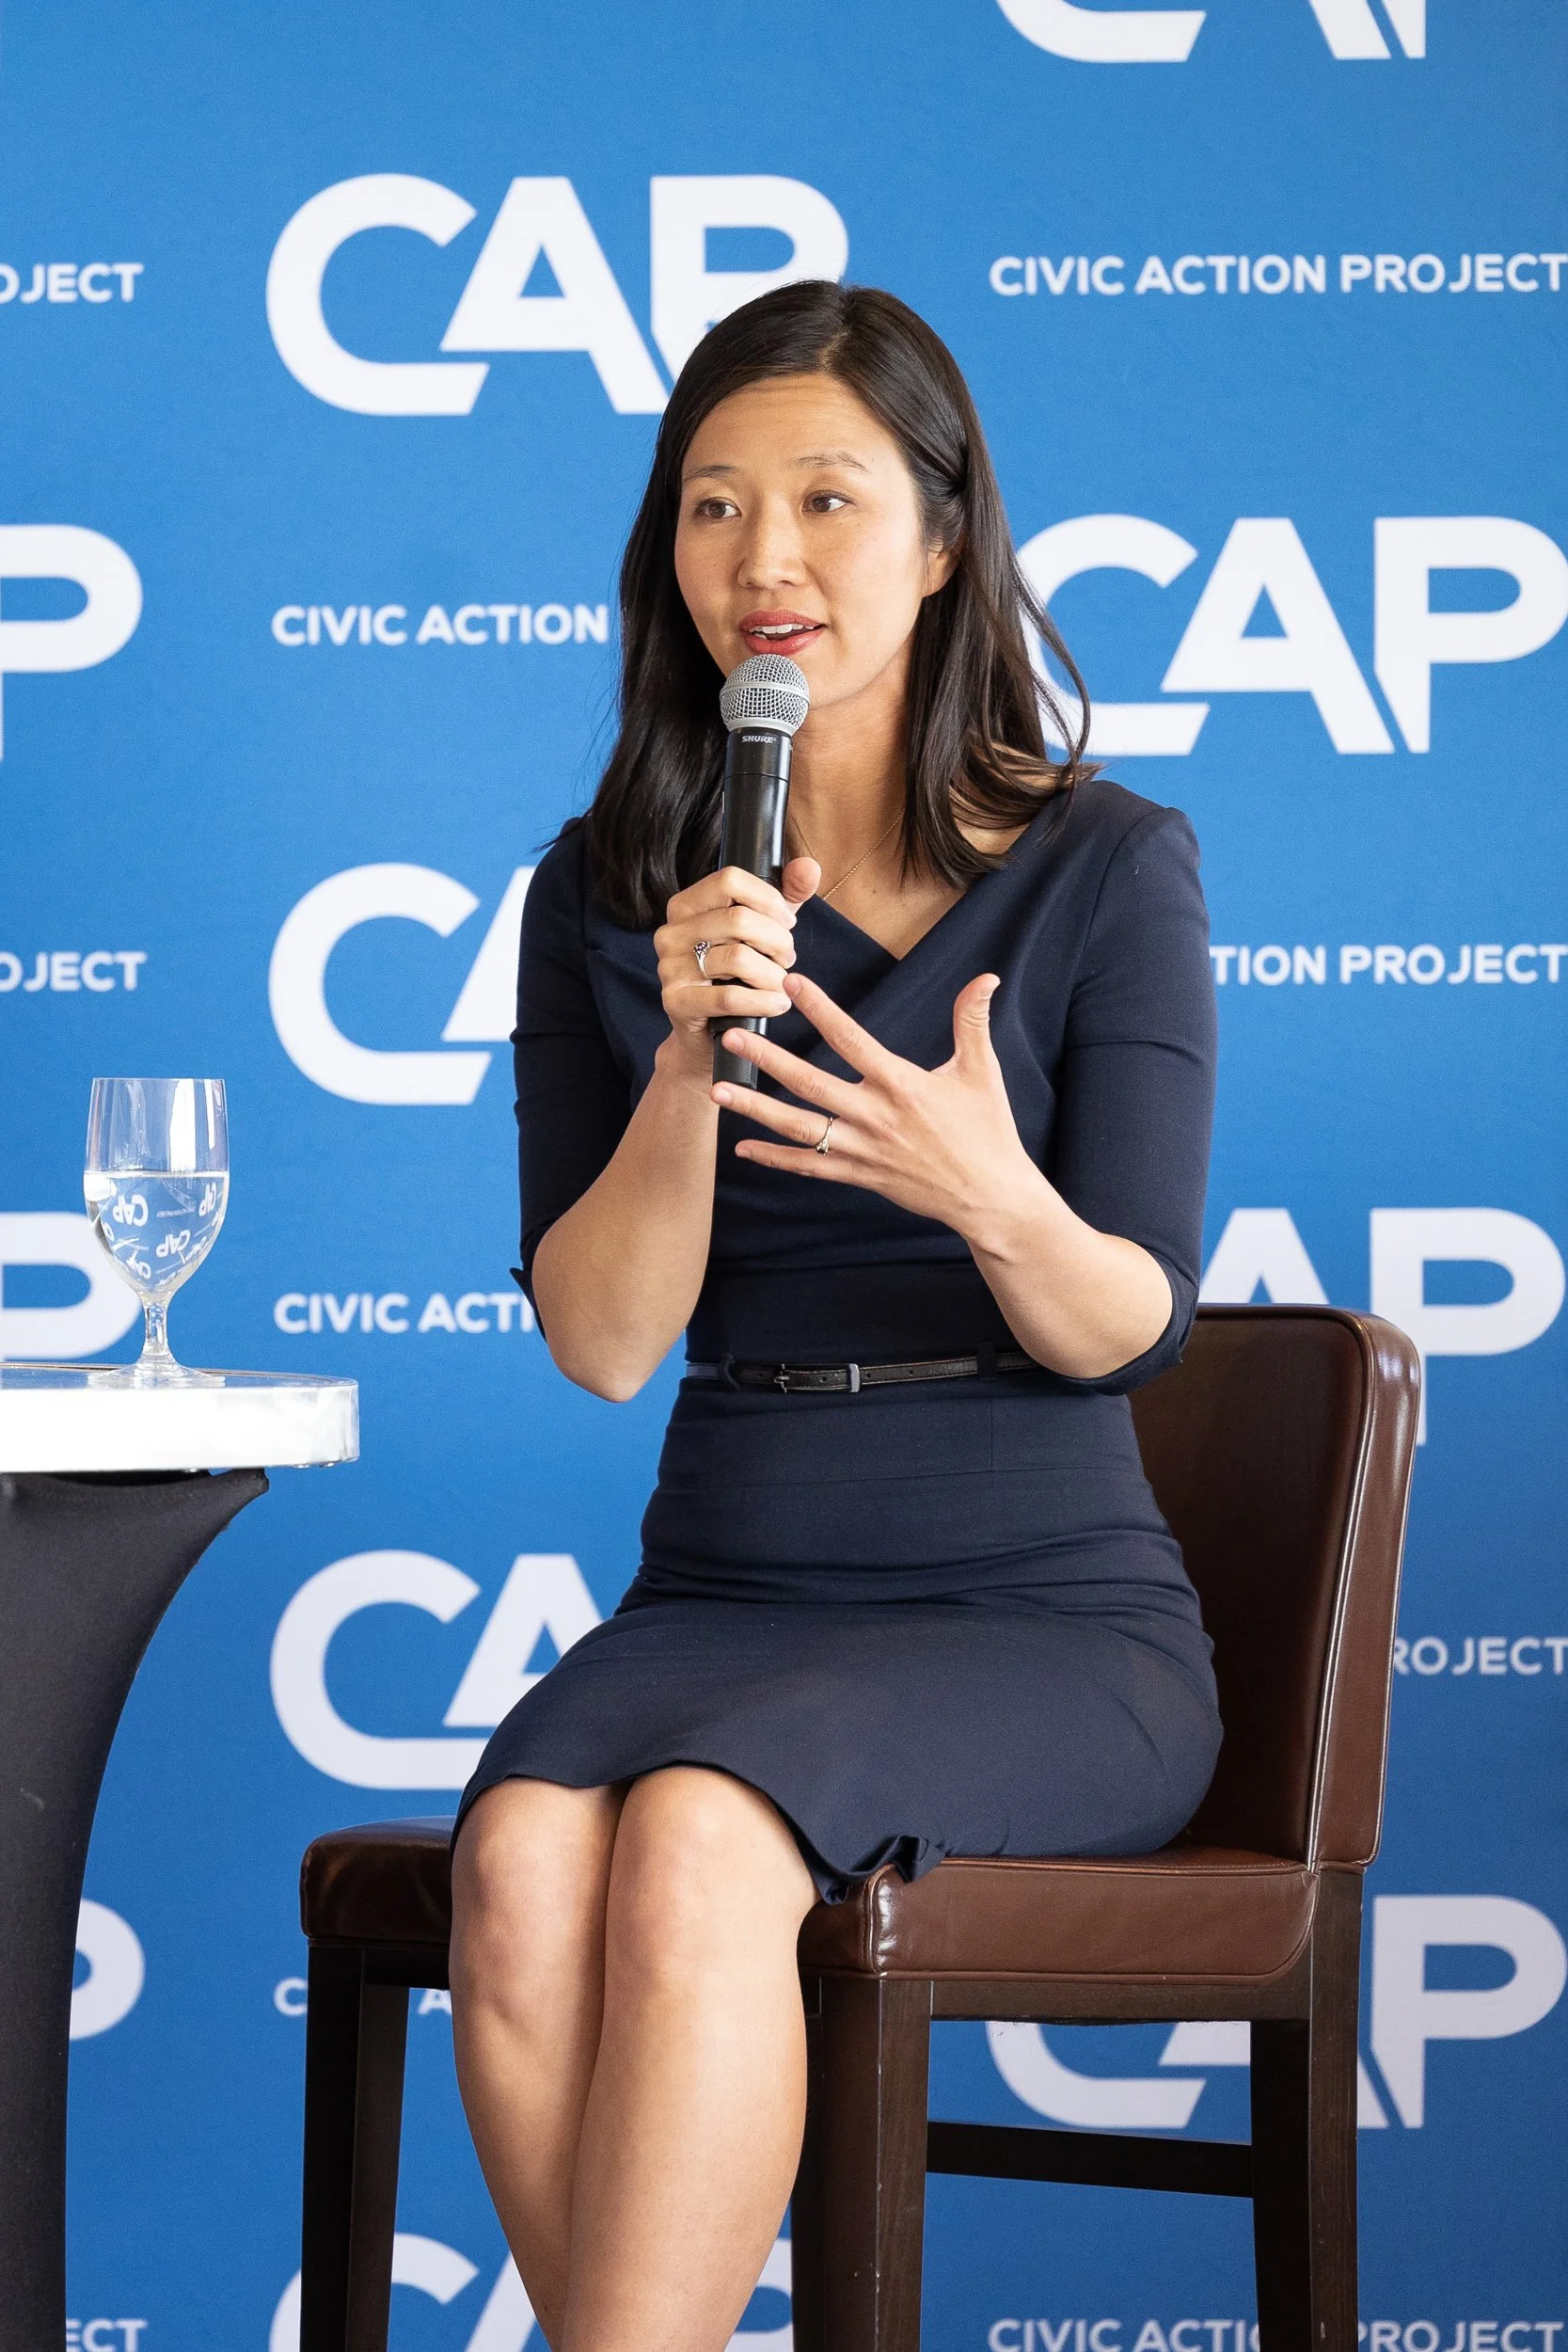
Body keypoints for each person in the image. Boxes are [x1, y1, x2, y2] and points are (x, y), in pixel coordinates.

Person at [449, 279, 1221, 2352]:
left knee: (700, 1836)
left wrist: (982, 1186)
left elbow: (1126, 1323)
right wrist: (694, 1055)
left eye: (820, 499)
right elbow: (604, 1343)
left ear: (946, 534)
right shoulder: (606, 891)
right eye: (708, 508)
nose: (759, 563)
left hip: (1040, 1609)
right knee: (519, 1856)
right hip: (726, 1580)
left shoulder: (1104, 867)